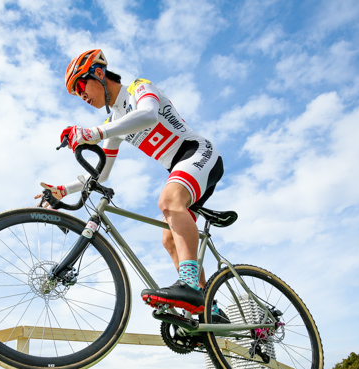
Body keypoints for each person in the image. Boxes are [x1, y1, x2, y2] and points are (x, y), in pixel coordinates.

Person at [41, 49, 224, 314]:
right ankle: (210, 310)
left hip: (198, 153)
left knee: (168, 201)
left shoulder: (139, 88)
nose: (82, 96)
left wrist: (93, 132)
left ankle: (189, 286)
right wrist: (63, 190)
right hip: (181, 168)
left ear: (100, 74)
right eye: (76, 94)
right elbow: (102, 173)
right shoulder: (114, 122)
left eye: (81, 85)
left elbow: (148, 114)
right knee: (169, 240)